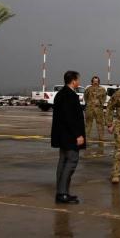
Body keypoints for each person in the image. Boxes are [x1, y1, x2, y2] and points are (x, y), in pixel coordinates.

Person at [51, 70, 85, 204]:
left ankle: (61, 191)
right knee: (71, 162)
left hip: (63, 135)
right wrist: (78, 135)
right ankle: (62, 193)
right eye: (78, 79)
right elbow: (70, 118)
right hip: (70, 136)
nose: (79, 81)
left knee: (63, 162)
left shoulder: (61, 94)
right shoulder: (69, 96)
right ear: (74, 80)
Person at [83, 76, 107, 143]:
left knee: (100, 124)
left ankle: (101, 138)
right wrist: (88, 103)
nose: (95, 82)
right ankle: (86, 138)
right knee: (88, 124)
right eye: (94, 81)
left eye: (97, 81)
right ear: (92, 82)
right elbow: (85, 97)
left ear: (99, 82)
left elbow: (104, 97)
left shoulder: (102, 89)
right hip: (89, 109)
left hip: (98, 109)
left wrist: (100, 103)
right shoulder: (88, 89)